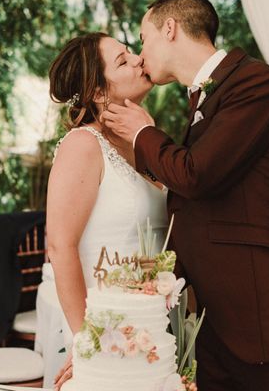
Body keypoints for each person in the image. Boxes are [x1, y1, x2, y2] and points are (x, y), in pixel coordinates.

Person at [102, 0, 269, 390]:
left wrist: (144, 132)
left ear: (170, 27)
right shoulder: (204, 98)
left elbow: (197, 175)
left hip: (268, 324)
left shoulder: (255, 82)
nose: (141, 55)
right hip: (221, 325)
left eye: (143, 39)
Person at [43, 32, 168, 390]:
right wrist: (88, 342)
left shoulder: (143, 142)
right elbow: (60, 246)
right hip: (108, 337)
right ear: (98, 92)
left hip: (155, 332)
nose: (138, 60)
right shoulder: (83, 145)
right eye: (123, 60)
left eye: (131, 53)